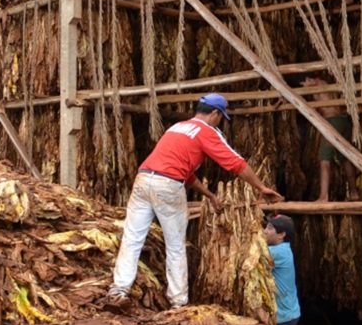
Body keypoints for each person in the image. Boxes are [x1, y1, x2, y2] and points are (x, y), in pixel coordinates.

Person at [107, 93, 284, 309]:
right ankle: (178, 302)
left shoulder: (178, 127)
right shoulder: (207, 131)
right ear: (215, 113)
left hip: (143, 180)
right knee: (175, 246)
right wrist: (261, 187)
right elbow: (235, 163)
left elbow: (186, 172)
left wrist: (208, 194)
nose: (220, 121)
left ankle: (118, 290)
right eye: (221, 117)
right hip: (168, 185)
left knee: (132, 238)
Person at [304, 75, 359, 202]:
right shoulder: (328, 87)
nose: (305, 83)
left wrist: (309, 84)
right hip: (343, 122)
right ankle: (354, 192)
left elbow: (314, 83)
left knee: (325, 160)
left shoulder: (318, 83)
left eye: (307, 79)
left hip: (333, 122)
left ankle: (324, 196)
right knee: (345, 159)